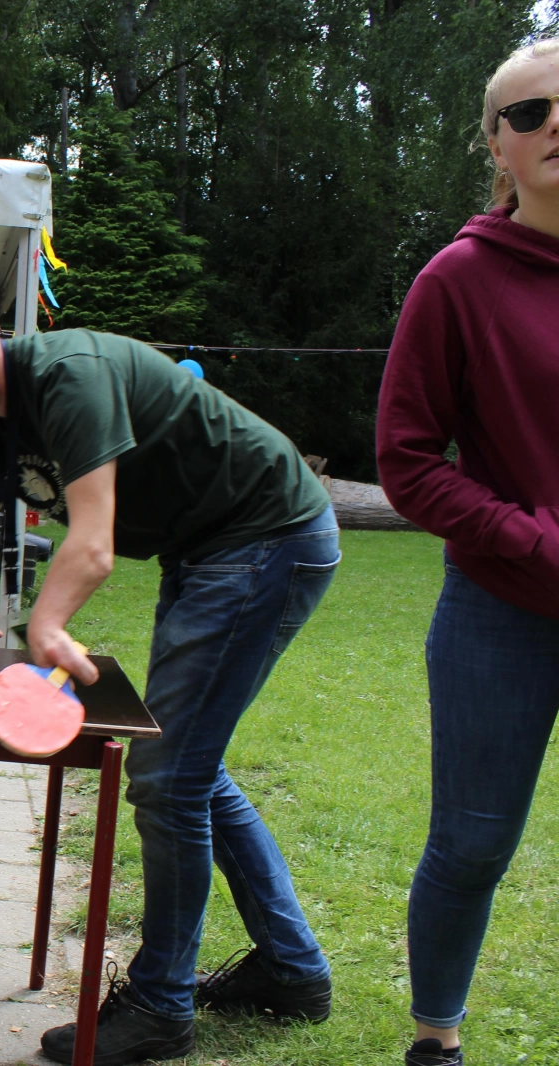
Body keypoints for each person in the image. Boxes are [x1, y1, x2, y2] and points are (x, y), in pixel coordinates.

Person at [0, 272, 337, 1064]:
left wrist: (47, 624)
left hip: (267, 533)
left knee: (168, 778)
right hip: (203, 550)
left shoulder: (66, 373)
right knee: (186, 768)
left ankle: (161, 1006)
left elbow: (92, 544)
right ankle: (292, 971)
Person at [375, 38, 559, 1066]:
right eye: (527, 114)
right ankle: (435, 1038)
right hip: (501, 611)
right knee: (474, 840)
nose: (551, 126)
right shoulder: (458, 279)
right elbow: (404, 459)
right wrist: (527, 538)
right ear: (496, 145)